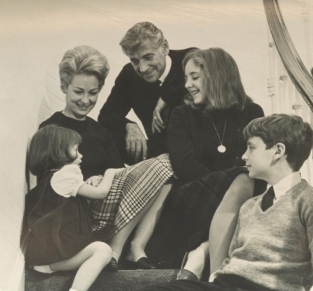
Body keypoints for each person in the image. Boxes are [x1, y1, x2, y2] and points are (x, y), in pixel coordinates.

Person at [138, 113, 313, 291]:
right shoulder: (249, 206)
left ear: (278, 151)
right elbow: (232, 260)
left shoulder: (311, 201)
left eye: (251, 148)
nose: (244, 156)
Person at [40, 45, 174, 271]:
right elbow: (49, 183)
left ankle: (130, 248)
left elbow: (118, 173)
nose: (85, 100)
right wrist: (83, 184)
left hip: (106, 205)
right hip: (77, 212)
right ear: (64, 86)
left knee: (168, 166)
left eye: (93, 93)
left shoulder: (102, 131)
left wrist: (101, 177)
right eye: (78, 92)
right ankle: (117, 249)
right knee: (165, 163)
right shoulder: (51, 129)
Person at [157, 48, 266, 279]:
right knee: (242, 178)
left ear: (217, 76)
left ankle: (204, 250)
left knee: (246, 180)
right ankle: (218, 275)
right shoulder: (181, 114)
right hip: (192, 195)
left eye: (194, 77)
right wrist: (229, 184)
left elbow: (259, 162)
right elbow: (184, 165)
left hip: (242, 196)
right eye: (186, 77)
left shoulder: (252, 112)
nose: (187, 84)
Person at [22, 125, 115, 291]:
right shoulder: (64, 174)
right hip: (52, 255)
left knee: (99, 249)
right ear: (59, 151)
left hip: (46, 255)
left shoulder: (50, 178)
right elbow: (101, 193)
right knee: (103, 250)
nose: (81, 155)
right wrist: (110, 172)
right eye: (76, 149)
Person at [98, 21, 196, 164]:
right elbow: (106, 116)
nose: (143, 68)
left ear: (165, 47)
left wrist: (167, 97)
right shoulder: (129, 75)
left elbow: (219, 83)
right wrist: (128, 125)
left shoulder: (189, 59)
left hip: (198, 153)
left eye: (148, 57)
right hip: (158, 157)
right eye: (135, 61)